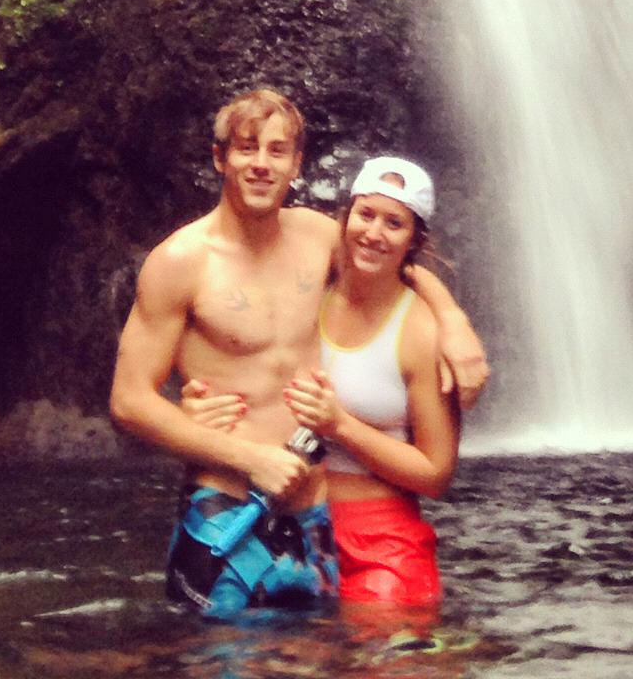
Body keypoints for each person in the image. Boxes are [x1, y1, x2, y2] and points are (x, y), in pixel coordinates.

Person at [108, 89, 487, 619]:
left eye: (277, 151)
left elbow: (388, 254)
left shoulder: (316, 236)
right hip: (229, 506)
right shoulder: (179, 262)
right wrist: (251, 457)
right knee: (224, 662)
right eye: (246, 148)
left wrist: (452, 319)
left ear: (296, 164)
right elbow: (128, 402)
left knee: (318, 661)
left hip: (313, 512)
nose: (261, 164)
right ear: (220, 158)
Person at [187, 155, 458, 608]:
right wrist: (193, 409)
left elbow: (436, 475)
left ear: (414, 239)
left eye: (394, 223)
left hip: (380, 537)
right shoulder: (309, 291)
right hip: (291, 524)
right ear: (345, 217)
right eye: (365, 214)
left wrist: (342, 428)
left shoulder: (421, 331)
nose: (373, 233)